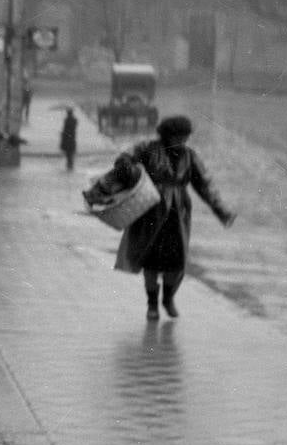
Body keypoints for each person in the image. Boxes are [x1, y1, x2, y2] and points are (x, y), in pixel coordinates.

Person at [83, 114, 235, 320]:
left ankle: (168, 297)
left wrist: (221, 210)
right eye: (178, 137)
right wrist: (127, 169)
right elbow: (124, 159)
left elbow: (205, 185)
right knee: (151, 261)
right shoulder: (147, 148)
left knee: (176, 262)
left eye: (185, 137)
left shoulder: (190, 157)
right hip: (150, 210)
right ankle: (152, 304)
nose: (182, 142)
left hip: (178, 214)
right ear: (167, 135)